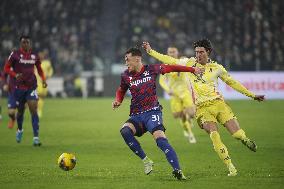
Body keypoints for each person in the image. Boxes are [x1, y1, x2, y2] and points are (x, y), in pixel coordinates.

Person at [142, 39, 265, 176]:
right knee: (214, 134)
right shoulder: (189, 64)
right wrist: (151, 51)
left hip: (219, 105)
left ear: (208, 52)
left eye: (201, 52)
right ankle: (231, 167)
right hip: (201, 108)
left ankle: (244, 139)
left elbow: (233, 83)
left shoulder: (217, 68)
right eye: (196, 52)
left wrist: (252, 95)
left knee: (237, 134)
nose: (198, 55)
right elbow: (170, 60)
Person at [112, 47, 203, 180]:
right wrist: (118, 100)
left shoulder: (151, 69)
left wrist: (193, 69)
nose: (126, 63)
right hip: (137, 115)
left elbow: (172, 68)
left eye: (128, 60)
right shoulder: (126, 75)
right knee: (125, 131)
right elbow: (121, 90)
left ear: (137, 59)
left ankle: (178, 171)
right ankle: (146, 160)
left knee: (160, 140)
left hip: (152, 112)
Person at [4, 35, 47, 146]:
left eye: (27, 42)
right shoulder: (15, 54)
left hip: (31, 87)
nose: (25, 44)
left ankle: (36, 137)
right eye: (23, 42)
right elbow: (6, 68)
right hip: (19, 88)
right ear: (20, 43)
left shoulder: (34, 55)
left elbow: (39, 69)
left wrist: (43, 79)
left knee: (33, 109)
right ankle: (20, 130)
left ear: (30, 43)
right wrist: (15, 74)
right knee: (21, 112)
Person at [159, 46, 196, 143]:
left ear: (177, 52)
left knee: (192, 114)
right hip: (174, 94)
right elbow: (161, 81)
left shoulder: (182, 61)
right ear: (167, 53)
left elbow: (192, 65)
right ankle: (189, 132)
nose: (171, 53)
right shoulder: (165, 66)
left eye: (173, 52)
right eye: (170, 52)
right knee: (178, 115)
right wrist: (168, 89)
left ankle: (189, 119)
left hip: (185, 91)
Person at [36, 50, 54, 118]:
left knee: (42, 97)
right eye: (39, 55)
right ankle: (38, 110)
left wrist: (48, 76)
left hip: (44, 82)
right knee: (38, 96)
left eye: (42, 55)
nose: (41, 56)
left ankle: (39, 110)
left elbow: (51, 70)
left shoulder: (47, 63)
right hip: (37, 82)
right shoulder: (35, 63)